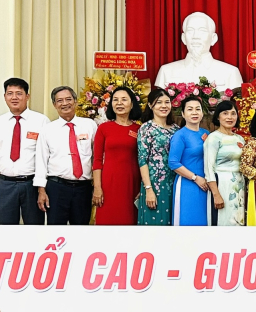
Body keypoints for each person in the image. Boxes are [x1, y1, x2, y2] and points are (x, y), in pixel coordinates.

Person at [0, 78, 50, 225]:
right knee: (7, 229)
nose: (14, 97)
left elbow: (47, 157)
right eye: (10, 93)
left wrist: (42, 187)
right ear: (4, 97)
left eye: (19, 93)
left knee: (35, 229)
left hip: (32, 185)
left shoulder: (41, 121)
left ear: (27, 96)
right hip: (5, 185)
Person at [34, 86, 98, 225]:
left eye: (68, 99)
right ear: (54, 104)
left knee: (82, 229)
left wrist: (98, 186)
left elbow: (97, 157)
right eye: (60, 101)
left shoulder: (90, 125)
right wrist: (41, 190)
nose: (65, 103)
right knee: (56, 230)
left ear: (75, 101)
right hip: (56, 188)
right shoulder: (47, 130)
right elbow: (41, 161)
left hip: (83, 188)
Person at [91, 86, 143, 225]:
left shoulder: (139, 130)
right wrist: (97, 187)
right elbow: (97, 160)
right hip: (108, 184)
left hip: (131, 184)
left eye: (124, 99)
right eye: (115, 100)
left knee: (129, 221)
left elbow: (144, 161)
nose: (119, 103)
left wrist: (143, 187)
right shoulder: (104, 128)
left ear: (132, 104)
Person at [153, 12, 243, 91]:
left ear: (213, 38)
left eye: (202, 31)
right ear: (183, 38)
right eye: (190, 30)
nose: (195, 36)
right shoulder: (166, 71)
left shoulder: (231, 72)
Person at [137, 89, 179, 225]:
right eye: (159, 102)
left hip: (174, 182)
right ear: (150, 105)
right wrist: (148, 189)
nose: (164, 106)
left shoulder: (176, 129)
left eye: (167, 102)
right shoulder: (146, 129)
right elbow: (142, 160)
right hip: (155, 184)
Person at [169, 97, 210, 226]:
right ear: (183, 114)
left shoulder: (206, 134)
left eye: (198, 109)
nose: (194, 112)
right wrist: (195, 178)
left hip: (206, 184)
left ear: (202, 113)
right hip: (188, 184)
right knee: (188, 221)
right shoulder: (180, 135)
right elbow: (173, 162)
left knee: (205, 221)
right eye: (190, 109)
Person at [204, 100, 246, 226]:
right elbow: (209, 168)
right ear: (218, 116)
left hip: (239, 184)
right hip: (222, 184)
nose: (230, 117)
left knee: (238, 220)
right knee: (223, 220)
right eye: (225, 113)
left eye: (233, 113)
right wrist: (216, 194)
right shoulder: (213, 138)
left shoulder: (240, 139)